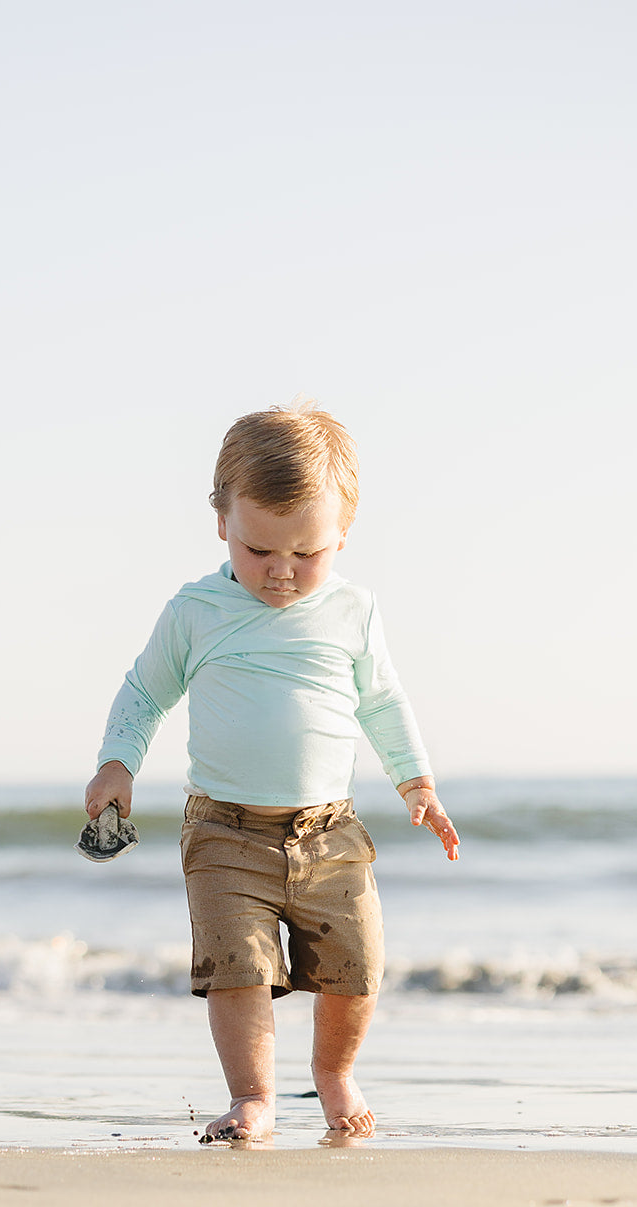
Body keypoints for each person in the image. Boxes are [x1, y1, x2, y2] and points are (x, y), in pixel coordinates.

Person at [84, 401, 459, 1141]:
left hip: (330, 833)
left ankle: (333, 1073)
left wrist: (415, 782)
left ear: (343, 534)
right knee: (237, 970)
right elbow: (144, 691)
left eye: (306, 554)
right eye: (259, 551)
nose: (282, 574)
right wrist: (117, 763)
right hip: (224, 831)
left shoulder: (353, 611)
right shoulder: (196, 611)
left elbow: (382, 700)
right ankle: (251, 1096)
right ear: (221, 520)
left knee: (355, 969)